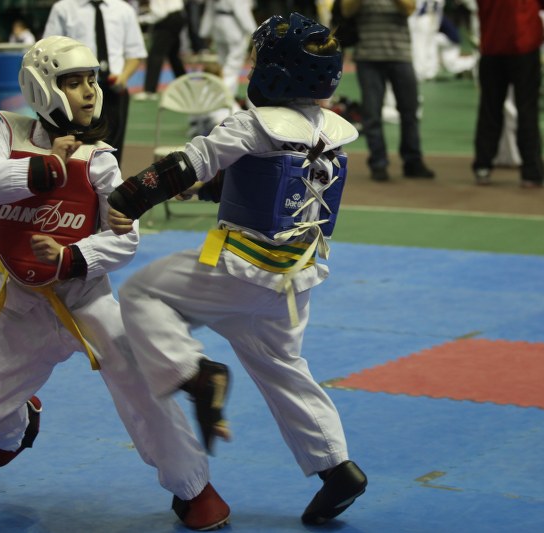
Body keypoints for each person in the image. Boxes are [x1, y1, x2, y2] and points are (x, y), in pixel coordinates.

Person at [0, 36, 230, 531]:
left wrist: (73, 255)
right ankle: (18, 424)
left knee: (143, 386)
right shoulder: (6, 135)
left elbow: (125, 241)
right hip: (18, 299)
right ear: (42, 88)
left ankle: (195, 489)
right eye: (72, 81)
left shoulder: (100, 157)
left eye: (90, 80)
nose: (87, 92)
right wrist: (48, 169)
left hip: (86, 296)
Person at [107, 13, 368, 526]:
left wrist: (129, 198)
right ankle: (337, 468)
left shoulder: (251, 124)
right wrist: (206, 190)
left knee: (141, 293)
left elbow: (194, 159)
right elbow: (271, 182)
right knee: (283, 368)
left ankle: (194, 372)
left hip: (241, 268)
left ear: (273, 71)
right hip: (296, 277)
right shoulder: (329, 133)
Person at [43, 0, 148, 165]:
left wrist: (124, 76)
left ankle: (110, 189)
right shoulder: (63, 9)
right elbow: (48, 51)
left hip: (114, 91)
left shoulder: (124, 10)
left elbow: (135, 53)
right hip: (74, 94)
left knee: (112, 152)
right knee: (74, 151)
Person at [342, 0, 436, 182]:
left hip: (400, 55)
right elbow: (347, 10)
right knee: (372, 114)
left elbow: (409, 9)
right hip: (368, 57)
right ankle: (378, 163)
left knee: (409, 111)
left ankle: (413, 161)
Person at [471, 0, 544, 188]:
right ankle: (531, 171)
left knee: (489, 108)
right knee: (527, 110)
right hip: (523, 45)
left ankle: (482, 166)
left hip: (492, 45)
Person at [198, 0, 257, 99]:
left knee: (222, 63)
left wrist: (204, 31)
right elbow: (242, 11)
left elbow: (209, 10)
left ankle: (225, 94)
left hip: (218, 26)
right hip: (233, 27)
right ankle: (223, 96)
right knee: (233, 65)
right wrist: (254, 31)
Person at [135, 0, 187, 101]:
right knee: (173, 55)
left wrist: (140, 19)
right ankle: (185, 84)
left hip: (168, 20)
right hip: (178, 16)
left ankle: (150, 91)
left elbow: (159, 13)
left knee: (155, 55)